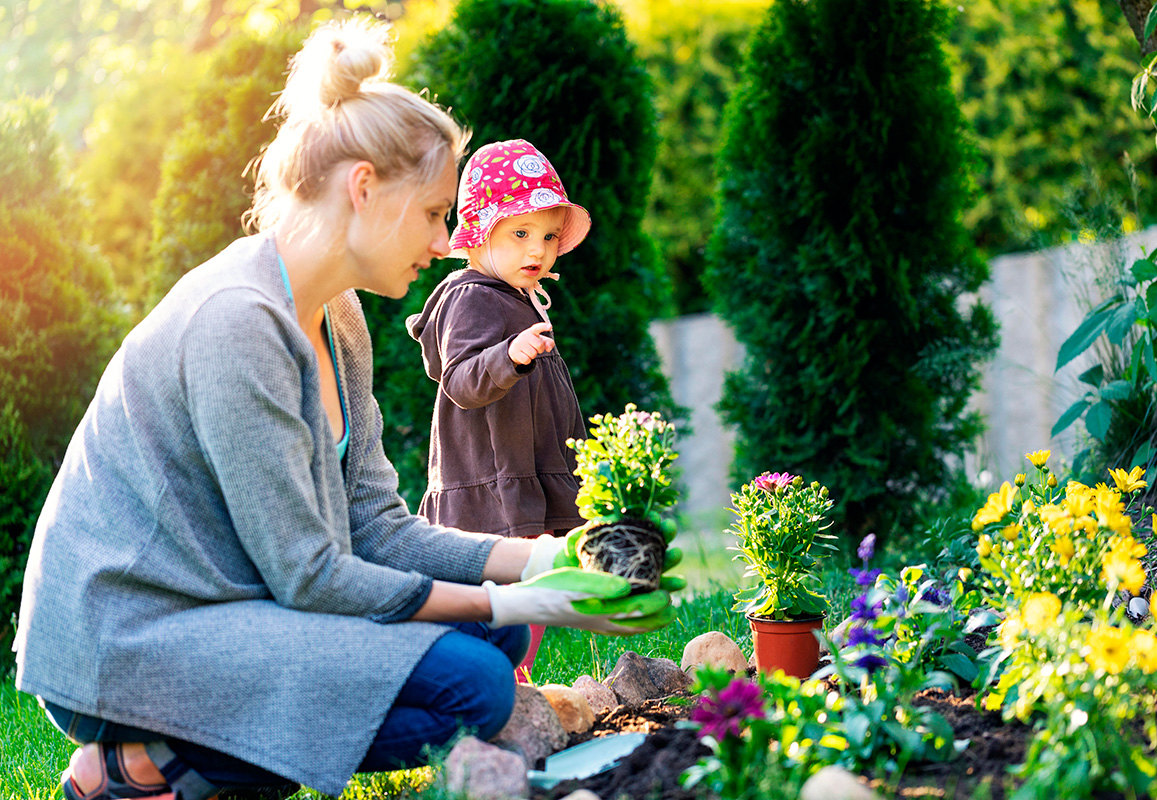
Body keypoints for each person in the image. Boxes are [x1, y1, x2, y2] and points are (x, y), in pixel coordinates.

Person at [12, 18, 674, 800]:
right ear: (363, 187)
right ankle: (136, 764)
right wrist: (518, 595)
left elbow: (377, 528)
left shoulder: (342, 317)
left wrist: (545, 561)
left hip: (236, 611)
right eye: (434, 214)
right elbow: (311, 576)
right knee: (474, 687)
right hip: (129, 639)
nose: (443, 241)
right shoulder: (237, 320)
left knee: (492, 636)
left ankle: (201, 747)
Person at [406, 139, 590, 683]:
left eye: (549, 236)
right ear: (480, 235)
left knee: (531, 583)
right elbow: (462, 380)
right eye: (520, 234)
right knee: (510, 585)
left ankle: (511, 672)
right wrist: (508, 355)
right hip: (491, 478)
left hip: (521, 470)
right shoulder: (472, 297)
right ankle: (501, 673)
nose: (538, 250)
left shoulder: (513, 290)